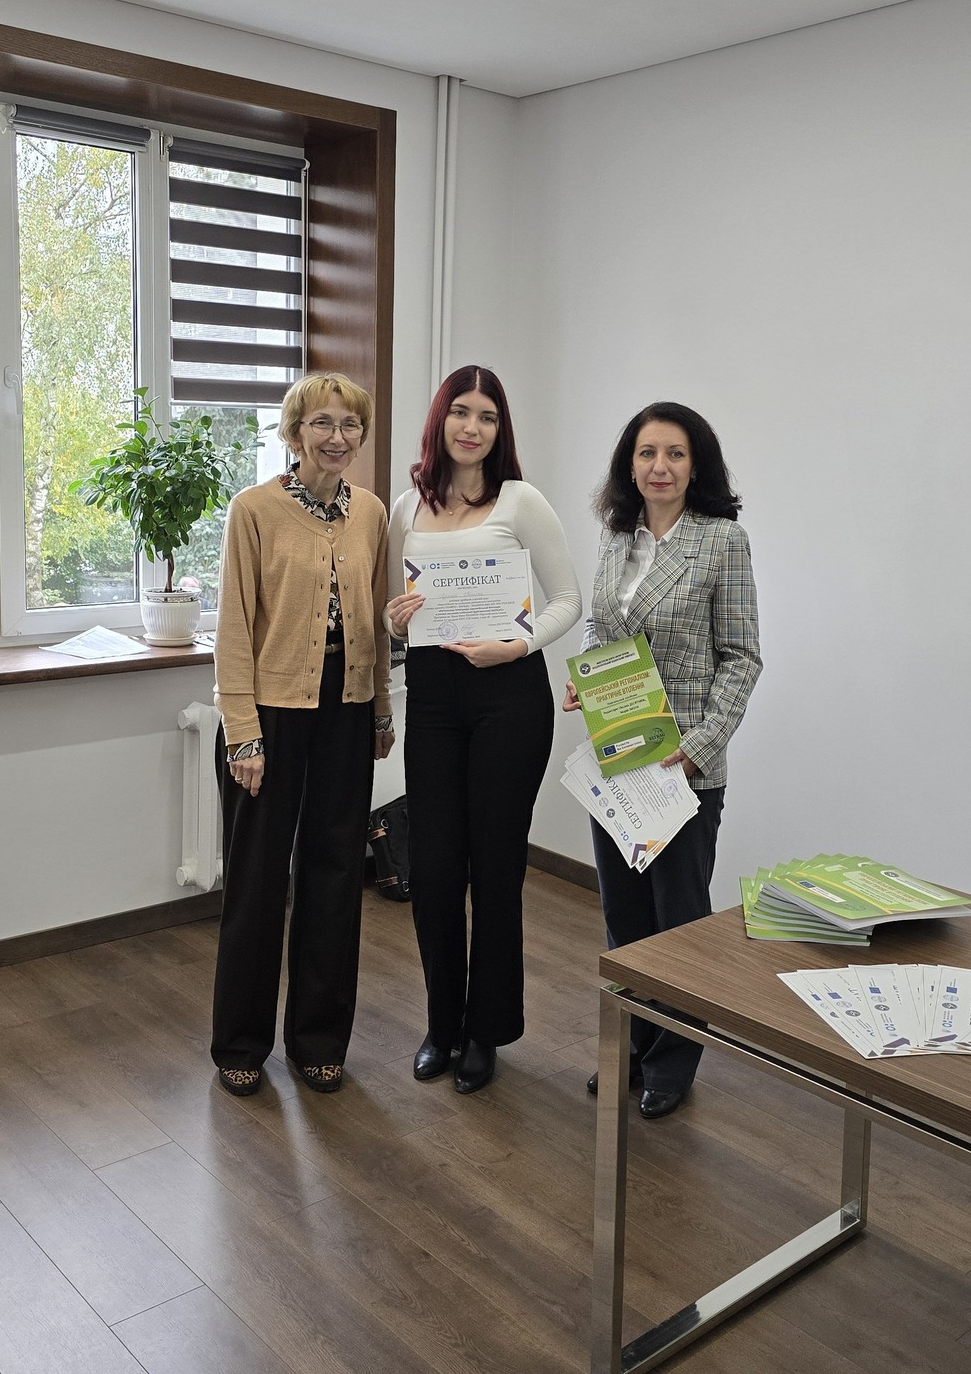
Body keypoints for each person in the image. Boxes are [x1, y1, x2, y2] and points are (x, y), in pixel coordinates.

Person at [386, 366, 581, 1095]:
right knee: (434, 870)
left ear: (501, 430)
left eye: (488, 416)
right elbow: (395, 610)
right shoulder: (407, 508)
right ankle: (441, 1023)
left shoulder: (521, 500)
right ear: (439, 420)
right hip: (434, 698)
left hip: (508, 698)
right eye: (461, 412)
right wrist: (393, 621)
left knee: (495, 871)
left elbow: (567, 600)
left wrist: (518, 646)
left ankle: (485, 1032)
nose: (473, 427)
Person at [565, 402, 760, 1120]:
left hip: (683, 768)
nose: (660, 467)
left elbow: (742, 657)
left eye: (675, 454)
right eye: (647, 453)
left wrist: (699, 748)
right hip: (617, 757)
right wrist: (584, 679)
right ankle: (630, 1048)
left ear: (695, 464)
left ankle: (673, 1061)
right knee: (623, 917)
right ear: (630, 463)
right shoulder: (616, 534)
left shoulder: (721, 540)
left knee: (677, 922)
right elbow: (601, 627)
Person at [209, 372, 395, 1098]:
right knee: (257, 883)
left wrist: (380, 710)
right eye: (322, 423)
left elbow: (375, 622)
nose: (337, 438)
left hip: (346, 710)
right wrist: (243, 733)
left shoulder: (370, 513)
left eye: (350, 425)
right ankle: (240, 1044)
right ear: (294, 434)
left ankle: (319, 1039)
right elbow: (232, 628)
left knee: (337, 876)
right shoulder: (253, 510)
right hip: (272, 715)